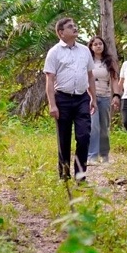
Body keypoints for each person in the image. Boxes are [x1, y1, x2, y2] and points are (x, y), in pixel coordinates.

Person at [44, 17, 96, 180]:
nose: (75, 28)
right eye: (70, 27)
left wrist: (93, 98)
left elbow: (90, 75)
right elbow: (50, 80)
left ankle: (81, 176)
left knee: (84, 136)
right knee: (64, 138)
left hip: (82, 99)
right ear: (61, 33)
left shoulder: (85, 50)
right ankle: (64, 175)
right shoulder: (54, 52)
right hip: (63, 100)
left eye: (75, 25)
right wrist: (52, 105)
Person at [85, 36, 119, 165]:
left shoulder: (109, 61)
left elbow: (114, 79)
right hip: (91, 97)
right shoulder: (88, 61)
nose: (98, 46)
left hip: (105, 96)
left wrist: (116, 95)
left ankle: (105, 156)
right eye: (95, 44)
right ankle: (92, 156)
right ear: (91, 47)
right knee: (94, 127)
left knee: (104, 127)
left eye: (100, 44)